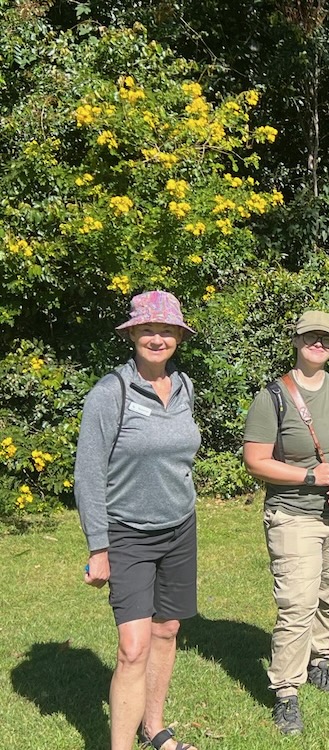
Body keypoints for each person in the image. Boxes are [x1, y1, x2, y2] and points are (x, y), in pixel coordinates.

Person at [75, 290, 201, 750]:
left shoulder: (184, 386)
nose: (157, 338)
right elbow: (88, 474)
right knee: (133, 648)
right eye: (148, 329)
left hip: (180, 527)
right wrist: (99, 547)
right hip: (127, 533)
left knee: (166, 630)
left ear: (178, 338)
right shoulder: (111, 393)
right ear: (131, 334)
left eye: (166, 330)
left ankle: (155, 729)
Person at [243, 310, 329, 736]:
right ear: (296, 340)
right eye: (312, 336)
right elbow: (255, 460)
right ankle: (286, 693)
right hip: (293, 514)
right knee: (297, 605)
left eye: (328, 339)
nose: (320, 343)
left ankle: (322, 665)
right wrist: (310, 476)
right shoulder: (273, 396)